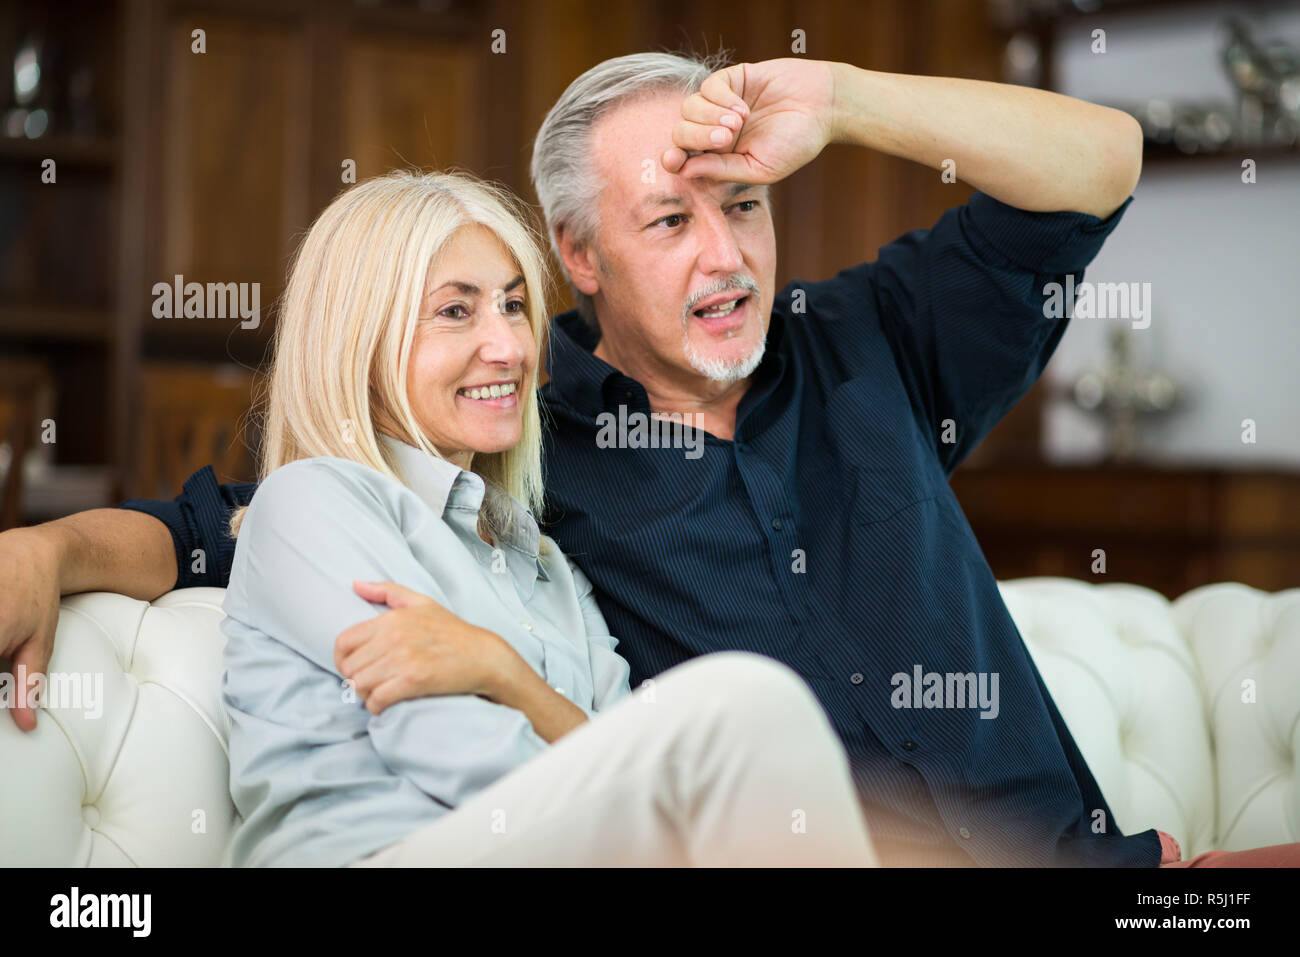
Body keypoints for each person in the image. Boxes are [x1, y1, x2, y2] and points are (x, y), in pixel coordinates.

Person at [3, 52, 1297, 868]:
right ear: (579, 256)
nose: (724, 256)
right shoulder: (513, 437)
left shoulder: (870, 337)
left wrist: (842, 99)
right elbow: (212, 528)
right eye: (669, 219)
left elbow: (1098, 167)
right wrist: (48, 547)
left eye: (743, 204)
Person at [217, 167, 876, 867]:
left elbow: (617, 755)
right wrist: (615, 766)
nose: (509, 347)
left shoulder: (547, 565)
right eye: (454, 311)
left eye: (512, 305)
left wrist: (505, 674)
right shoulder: (311, 504)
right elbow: (458, 757)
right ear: (360, 340)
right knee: (751, 705)